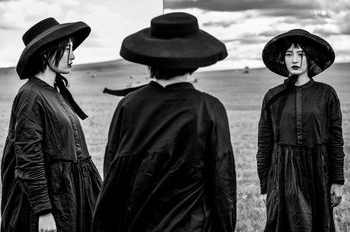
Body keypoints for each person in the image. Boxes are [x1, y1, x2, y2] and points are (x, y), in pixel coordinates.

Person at [92, 12, 236, 231]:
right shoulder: (209, 109)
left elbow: (113, 175)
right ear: (194, 61)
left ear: (149, 60)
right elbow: (222, 182)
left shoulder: (128, 105)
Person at [1, 17, 102, 232]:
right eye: (67, 49)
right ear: (46, 53)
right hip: (50, 206)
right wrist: (44, 212)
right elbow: (29, 158)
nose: (73, 55)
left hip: (68, 199)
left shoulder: (54, 93)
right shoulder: (30, 95)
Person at [257, 29, 345, 231]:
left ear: (310, 58)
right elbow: (264, 144)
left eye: (301, 54)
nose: (294, 59)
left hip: (317, 171)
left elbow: (335, 141)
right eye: (289, 54)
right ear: (283, 59)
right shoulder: (272, 96)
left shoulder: (326, 94)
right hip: (283, 174)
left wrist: (337, 181)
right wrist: (265, 187)